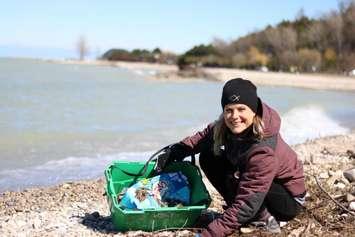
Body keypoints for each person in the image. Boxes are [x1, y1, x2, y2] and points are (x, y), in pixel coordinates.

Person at [156, 78, 306, 237]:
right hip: (255, 184)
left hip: (286, 201)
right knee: (208, 156)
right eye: (229, 110)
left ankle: (261, 219)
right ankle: (243, 215)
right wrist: (176, 150)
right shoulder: (225, 125)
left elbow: (247, 203)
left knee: (243, 191)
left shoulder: (263, 150)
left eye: (241, 109)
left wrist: (208, 234)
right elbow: (202, 138)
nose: (235, 116)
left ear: (253, 110)